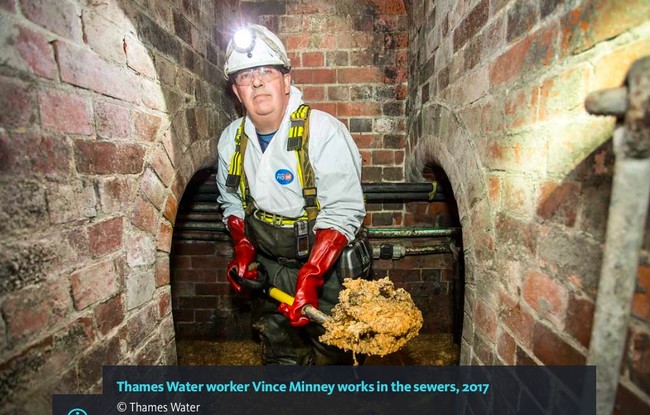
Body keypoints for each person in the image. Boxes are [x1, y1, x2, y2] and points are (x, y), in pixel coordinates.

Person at [215, 24, 366, 365]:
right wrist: (242, 248)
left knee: (335, 354)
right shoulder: (230, 141)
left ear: (286, 81)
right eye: (244, 76)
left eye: (266, 71)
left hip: (326, 270)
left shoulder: (323, 131)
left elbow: (343, 211)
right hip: (271, 266)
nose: (256, 82)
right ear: (237, 93)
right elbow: (231, 202)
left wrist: (311, 276)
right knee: (281, 352)